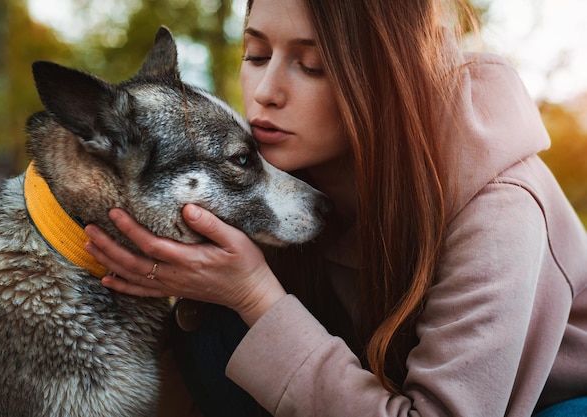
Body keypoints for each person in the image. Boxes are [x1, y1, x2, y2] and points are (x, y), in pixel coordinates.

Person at [83, 0, 587, 415]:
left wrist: (255, 295)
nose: (265, 93)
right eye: (256, 54)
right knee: (211, 325)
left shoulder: (500, 209)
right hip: (365, 384)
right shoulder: (274, 173)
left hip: (554, 402)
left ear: (389, 76)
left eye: (312, 66)